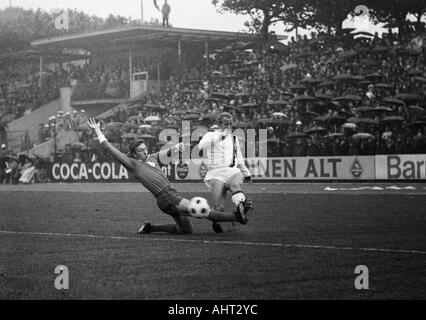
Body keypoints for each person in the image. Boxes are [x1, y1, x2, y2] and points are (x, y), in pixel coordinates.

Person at [87, 118, 253, 235]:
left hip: (170, 196)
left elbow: (164, 153)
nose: (145, 151)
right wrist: (97, 131)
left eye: (145, 148)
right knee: (201, 210)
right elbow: (110, 149)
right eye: (140, 150)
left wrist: (177, 147)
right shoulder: (133, 164)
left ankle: (150, 228)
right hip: (166, 197)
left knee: (186, 231)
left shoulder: (151, 158)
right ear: (133, 154)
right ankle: (237, 217)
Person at [198, 113, 253, 234]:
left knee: (235, 186)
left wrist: (246, 173)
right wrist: (219, 138)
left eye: (230, 124)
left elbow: (238, 156)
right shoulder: (210, 135)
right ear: (219, 123)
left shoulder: (233, 138)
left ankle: (241, 207)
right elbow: (201, 146)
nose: (228, 126)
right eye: (225, 123)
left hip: (232, 170)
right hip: (216, 172)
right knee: (218, 208)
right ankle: (216, 221)